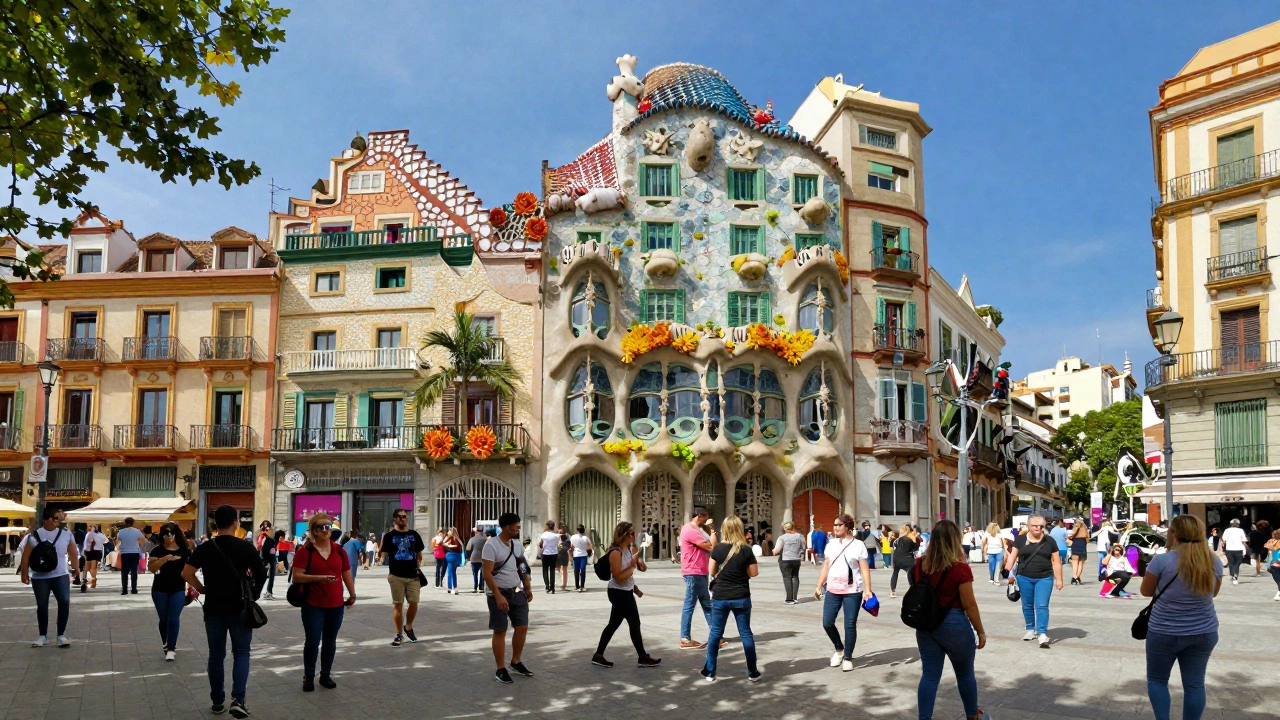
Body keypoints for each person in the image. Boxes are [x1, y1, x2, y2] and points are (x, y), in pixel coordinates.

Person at [182, 505, 266, 719]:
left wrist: (202, 589)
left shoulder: (205, 547)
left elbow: (186, 572)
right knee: (241, 653)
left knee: (216, 655)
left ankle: (217, 702)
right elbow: (261, 573)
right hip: (240, 607)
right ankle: (238, 699)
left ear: (215, 525)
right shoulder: (245, 547)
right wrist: (253, 594)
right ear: (235, 522)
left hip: (213, 608)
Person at [1141, 514, 1223, 720]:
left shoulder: (1162, 561)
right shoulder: (1213, 561)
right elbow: (1214, 592)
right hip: (1204, 631)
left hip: (1164, 631)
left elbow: (1146, 591)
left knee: (1157, 680)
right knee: (1195, 684)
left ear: (1174, 534)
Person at [912, 520, 989, 720]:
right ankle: (973, 716)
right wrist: (980, 631)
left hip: (927, 625)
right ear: (955, 540)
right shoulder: (960, 568)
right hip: (954, 623)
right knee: (964, 674)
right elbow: (969, 604)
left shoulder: (920, 564)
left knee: (929, 675)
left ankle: (924, 718)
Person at [291, 512, 356, 692]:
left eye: (329, 526)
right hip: (313, 604)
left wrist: (352, 593)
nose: (327, 530)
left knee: (330, 641)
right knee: (312, 640)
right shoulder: (305, 551)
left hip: (335, 604)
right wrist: (318, 578)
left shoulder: (338, 550)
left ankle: (325, 675)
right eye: (322, 527)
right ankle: (309, 676)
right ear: (314, 530)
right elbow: (297, 576)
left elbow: (346, 573)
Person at [591, 521, 662, 670]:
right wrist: (633, 566)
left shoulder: (628, 549)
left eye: (633, 533)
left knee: (614, 625)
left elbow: (633, 570)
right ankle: (642, 657)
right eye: (630, 533)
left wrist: (639, 568)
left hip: (625, 592)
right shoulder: (615, 552)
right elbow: (618, 576)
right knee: (634, 624)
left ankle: (598, 655)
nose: (633, 536)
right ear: (623, 534)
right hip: (618, 593)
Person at [701, 516, 759, 682]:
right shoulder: (746, 549)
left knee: (715, 633)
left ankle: (710, 671)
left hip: (720, 596)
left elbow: (711, 571)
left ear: (724, 529)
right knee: (746, 633)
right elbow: (753, 573)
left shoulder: (718, 549)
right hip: (741, 595)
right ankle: (752, 672)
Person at [814, 513, 871, 672]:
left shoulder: (858, 545)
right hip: (833, 589)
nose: (835, 527)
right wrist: (819, 585)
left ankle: (847, 657)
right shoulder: (831, 544)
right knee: (827, 622)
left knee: (850, 624)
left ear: (847, 527)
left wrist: (867, 590)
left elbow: (864, 569)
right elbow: (826, 565)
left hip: (853, 591)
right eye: (834, 525)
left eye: (839, 525)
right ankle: (839, 648)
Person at [482, 512, 534, 684]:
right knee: (500, 630)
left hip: (517, 590)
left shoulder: (517, 544)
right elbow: (487, 573)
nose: (519, 528)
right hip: (498, 592)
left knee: (522, 626)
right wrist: (497, 595)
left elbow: (522, 566)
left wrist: (527, 585)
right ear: (507, 527)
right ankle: (500, 669)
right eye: (516, 525)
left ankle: (516, 661)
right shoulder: (491, 546)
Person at [19, 506, 78, 648]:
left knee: (64, 602)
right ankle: (42, 636)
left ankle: (61, 635)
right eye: (57, 518)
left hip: (61, 575)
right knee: (42, 605)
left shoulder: (66, 534)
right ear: (49, 519)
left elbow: (73, 553)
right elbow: (26, 555)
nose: (60, 521)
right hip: (40, 577)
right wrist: (24, 574)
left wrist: (76, 569)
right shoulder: (34, 535)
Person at [1004, 514, 1064, 648]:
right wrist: (1009, 573)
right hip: (1024, 577)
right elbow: (1012, 557)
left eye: (1040, 526)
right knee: (1027, 604)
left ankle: (1042, 633)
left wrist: (1059, 580)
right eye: (1034, 526)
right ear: (1029, 526)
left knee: (1042, 605)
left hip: (1045, 577)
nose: (1037, 528)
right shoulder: (1020, 540)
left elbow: (1056, 561)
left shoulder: (1050, 541)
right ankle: (1030, 629)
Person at [378, 509, 424, 646]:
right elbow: (383, 552)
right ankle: (399, 634)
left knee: (414, 603)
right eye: (399, 517)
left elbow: (419, 553)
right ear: (395, 519)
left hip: (413, 576)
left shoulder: (414, 534)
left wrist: (418, 567)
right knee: (398, 604)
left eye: (404, 516)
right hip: (396, 576)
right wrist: (380, 559)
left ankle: (408, 626)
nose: (402, 519)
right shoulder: (389, 536)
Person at [148, 522, 190, 661]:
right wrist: (165, 559)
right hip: (160, 588)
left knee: (173, 618)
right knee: (164, 619)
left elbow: (190, 570)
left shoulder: (184, 551)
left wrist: (192, 586)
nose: (169, 535)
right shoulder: (157, 551)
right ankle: (166, 643)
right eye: (166, 532)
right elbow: (152, 568)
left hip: (178, 588)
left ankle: (171, 647)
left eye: (171, 532)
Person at [678, 506, 718, 650]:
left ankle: (716, 635)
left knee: (707, 604)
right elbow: (711, 547)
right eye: (706, 516)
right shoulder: (690, 529)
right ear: (699, 516)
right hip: (693, 572)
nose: (707, 519)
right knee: (689, 605)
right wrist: (713, 532)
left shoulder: (697, 530)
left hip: (700, 571)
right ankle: (685, 638)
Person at [777, 521, 806, 604]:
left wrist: (773, 551)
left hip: (785, 560)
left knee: (787, 577)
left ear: (785, 528)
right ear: (793, 527)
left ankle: (789, 599)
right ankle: (795, 598)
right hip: (796, 559)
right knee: (795, 576)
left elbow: (777, 550)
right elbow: (803, 547)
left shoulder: (782, 538)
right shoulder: (800, 536)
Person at [115, 517, 145, 596]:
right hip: (134, 552)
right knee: (134, 571)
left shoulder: (121, 532)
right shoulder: (137, 531)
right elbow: (142, 540)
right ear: (133, 523)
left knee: (124, 572)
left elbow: (117, 541)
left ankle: (124, 590)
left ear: (125, 523)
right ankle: (134, 589)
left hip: (124, 553)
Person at [890, 524, 919, 597]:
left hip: (896, 557)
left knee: (895, 573)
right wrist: (915, 539)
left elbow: (894, 546)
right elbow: (915, 548)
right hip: (907, 558)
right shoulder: (909, 539)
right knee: (910, 571)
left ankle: (892, 591)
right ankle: (912, 587)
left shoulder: (898, 539)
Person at [1221, 518, 1247, 584]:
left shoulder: (1227, 530)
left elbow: (1223, 539)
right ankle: (1235, 575)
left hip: (1229, 548)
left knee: (1231, 562)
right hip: (1239, 548)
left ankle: (1233, 574)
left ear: (1231, 524)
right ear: (1238, 524)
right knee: (1237, 563)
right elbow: (1244, 539)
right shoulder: (1241, 530)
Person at [82, 525, 107, 592]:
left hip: (90, 551)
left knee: (87, 567)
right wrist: (100, 543)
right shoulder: (101, 535)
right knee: (93, 567)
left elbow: (86, 543)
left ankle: (88, 580)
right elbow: (106, 541)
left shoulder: (89, 534)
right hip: (98, 551)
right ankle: (93, 581)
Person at [569, 524, 593, 592]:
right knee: (582, 570)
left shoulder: (573, 537)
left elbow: (571, 546)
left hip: (576, 555)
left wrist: (570, 554)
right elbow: (590, 546)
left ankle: (577, 586)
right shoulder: (586, 538)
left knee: (576, 570)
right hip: (583, 555)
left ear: (577, 530)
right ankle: (582, 586)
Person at [538, 521, 560, 594]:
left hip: (546, 553)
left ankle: (547, 585)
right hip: (554, 553)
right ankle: (552, 587)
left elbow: (541, 544)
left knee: (545, 570)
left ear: (547, 526)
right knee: (552, 570)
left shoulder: (544, 534)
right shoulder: (556, 535)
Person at [1067, 518, 1089, 585]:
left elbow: (1072, 534)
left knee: (1074, 562)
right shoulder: (1085, 528)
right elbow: (1087, 537)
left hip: (1075, 543)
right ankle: (1077, 577)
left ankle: (1074, 577)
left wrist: (1068, 538)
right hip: (1082, 543)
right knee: (1081, 562)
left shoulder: (1076, 526)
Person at [465, 527, 487, 593]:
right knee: (482, 573)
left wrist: (468, 557)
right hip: (484, 558)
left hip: (474, 558)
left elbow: (468, 548)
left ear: (476, 532)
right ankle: (481, 587)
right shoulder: (486, 539)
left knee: (475, 573)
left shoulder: (472, 539)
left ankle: (475, 587)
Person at [443, 527, 464, 595]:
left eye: (449, 531)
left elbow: (443, 544)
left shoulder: (451, 538)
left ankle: (451, 588)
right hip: (458, 556)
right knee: (453, 572)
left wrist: (449, 546)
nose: (448, 532)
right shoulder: (458, 538)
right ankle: (454, 587)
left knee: (450, 573)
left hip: (451, 555)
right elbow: (462, 546)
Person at [258, 527, 278, 600]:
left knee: (271, 578)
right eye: (271, 531)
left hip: (271, 561)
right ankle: (267, 592)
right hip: (268, 562)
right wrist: (267, 562)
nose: (272, 532)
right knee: (266, 578)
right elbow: (263, 552)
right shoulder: (266, 540)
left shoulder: (270, 540)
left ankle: (268, 592)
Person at [1264, 529, 1280, 600]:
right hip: (1276, 563)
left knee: (1277, 579)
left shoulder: (1271, 542)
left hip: (1274, 564)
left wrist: (1268, 565)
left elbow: (1269, 554)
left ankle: (1278, 593)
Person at [556, 524, 571, 591]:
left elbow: (569, 545)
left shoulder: (568, 537)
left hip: (564, 554)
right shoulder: (556, 536)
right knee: (559, 567)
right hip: (557, 554)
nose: (561, 532)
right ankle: (562, 580)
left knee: (564, 568)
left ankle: (564, 583)